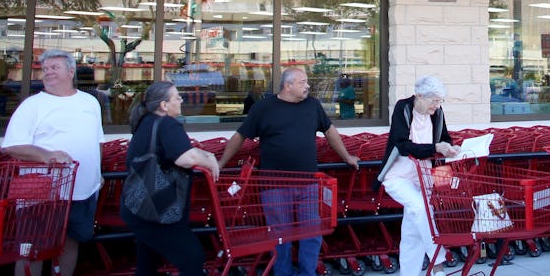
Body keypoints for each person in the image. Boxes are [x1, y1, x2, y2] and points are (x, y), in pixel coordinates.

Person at [218, 68, 360, 276]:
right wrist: (221, 163)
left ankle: (307, 273)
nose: (308, 86)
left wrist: (347, 157)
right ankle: (282, 273)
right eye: (303, 82)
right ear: (288, 85)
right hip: (274, 185)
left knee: (312, 233)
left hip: (308, 183)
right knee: (280, 235)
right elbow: (240, 136)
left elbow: (330, 132)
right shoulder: (264, 108)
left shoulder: (313, 105)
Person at [1, 50, 103, 276]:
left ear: (71, 71)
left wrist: (98, 174)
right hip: (42, 194)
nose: (48, 73)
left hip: (83, 191)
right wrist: (48, 156)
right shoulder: (31, 106)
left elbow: (97, 141)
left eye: (54, 68)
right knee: (32, 250)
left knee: (71, 243)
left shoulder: (90, 102)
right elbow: (12, 146)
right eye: (45, 69)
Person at [121, 82, 220, 276]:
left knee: (147, 262)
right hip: (159, 207)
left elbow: (183, 150)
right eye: (177, 97)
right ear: (164, 105)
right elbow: (186, 158)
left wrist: (207, 155)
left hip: (139, 206)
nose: (181, 100)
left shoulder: (147, 121)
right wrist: (210, 163)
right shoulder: (167, 123)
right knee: (192, 257)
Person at [375, 76, 460, 276]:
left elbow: (444, 137)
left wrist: (448, 147)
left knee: (413, 232)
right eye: (434, 101)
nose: (437, 106)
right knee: (421, 208)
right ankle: (437, 262)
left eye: (440, 101)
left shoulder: (437, 113)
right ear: (419, 96)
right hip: (398, 176)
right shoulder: (403, 108)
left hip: (423, 176)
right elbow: (402, 145)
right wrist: (434, 147)